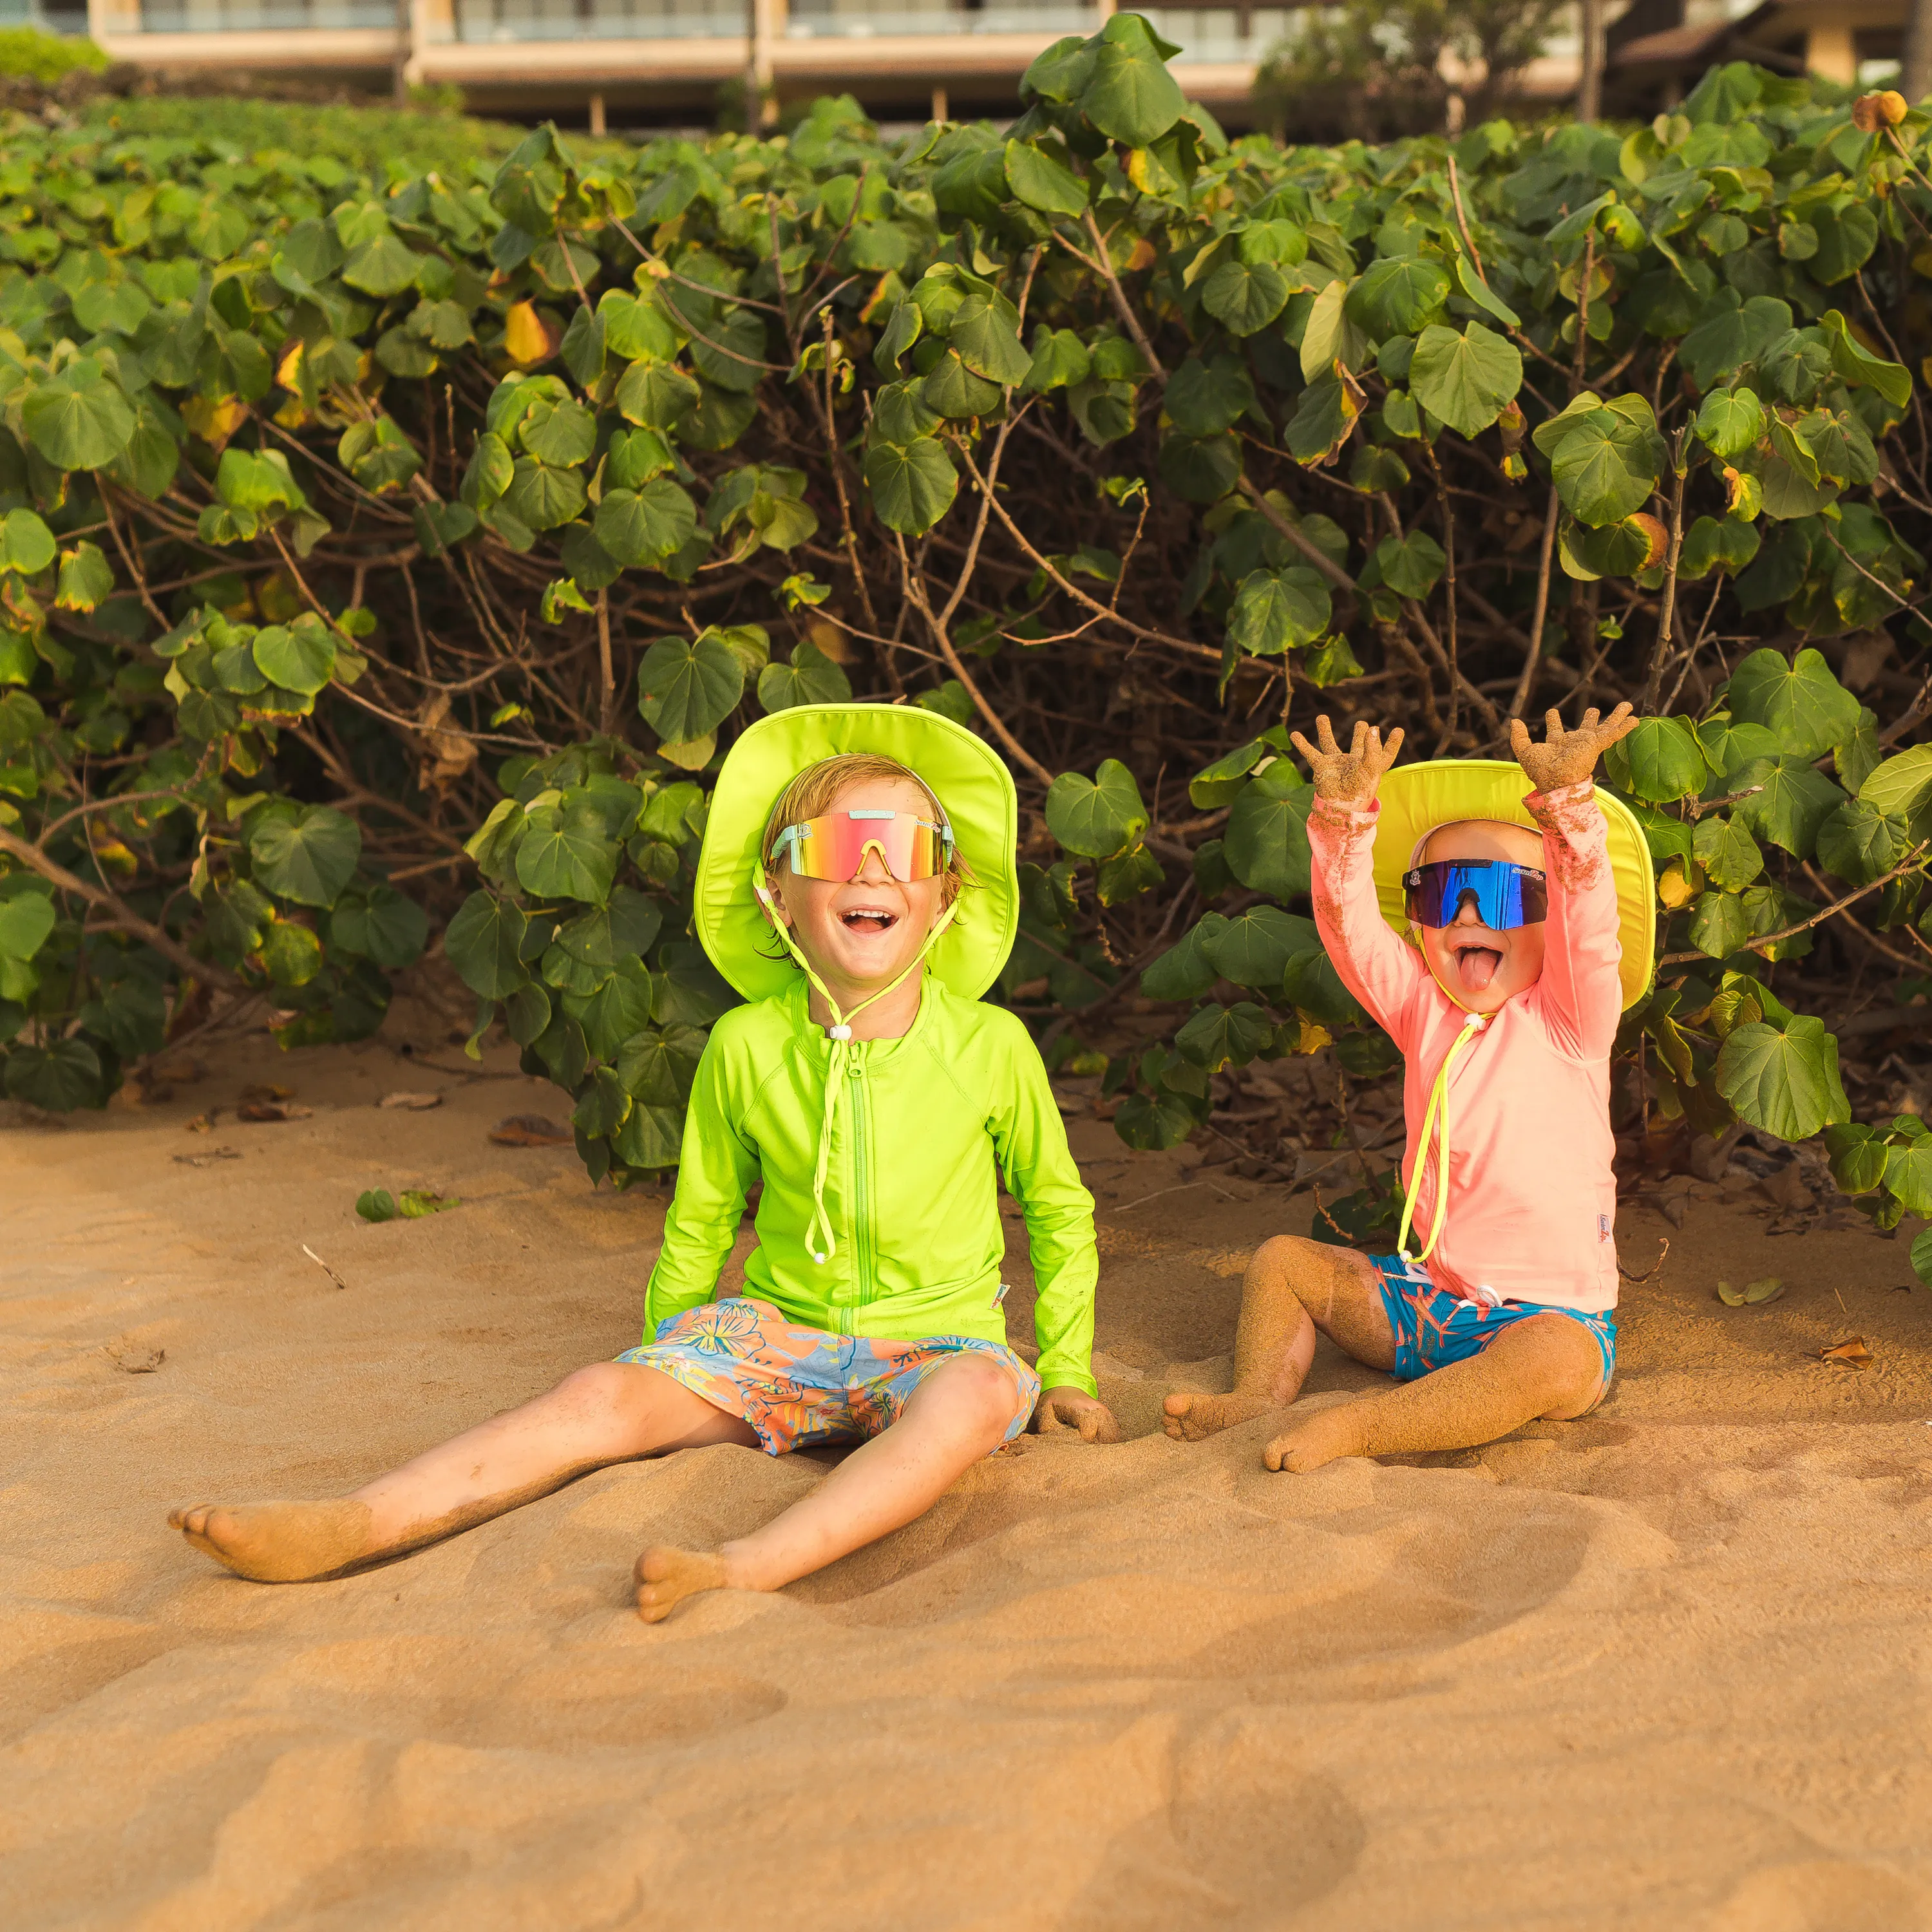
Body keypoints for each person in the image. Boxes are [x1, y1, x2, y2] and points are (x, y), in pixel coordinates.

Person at [171, 705, 1117, 1620]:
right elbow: (701, 1216)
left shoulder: (991, 1046)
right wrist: (670, 1350)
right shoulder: (746, 1045)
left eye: (906, 850)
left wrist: (1065, 1368)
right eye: (835, 849)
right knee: (598, 1394)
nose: (872, 868)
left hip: (936, 1342)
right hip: (779, 1342)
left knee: (982, 1392)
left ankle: (748, 1565)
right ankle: (357, 1521)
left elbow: (1057, 1209)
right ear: (776, 893)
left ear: (945, 892)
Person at [1164, 704, 1654, 1473]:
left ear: (1546, 917)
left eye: (1501, 896)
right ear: (1421, 922)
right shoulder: (1422, 1008)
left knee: (1554, 1364)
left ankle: (1363, 1429)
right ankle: (1260, 1397)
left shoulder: (1573, 1020)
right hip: (1426, 1303)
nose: (1465, 912)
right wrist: (1343, 816)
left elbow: (1590, 928)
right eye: (1439, 893)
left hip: (1546, 1324)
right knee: (1284, 1261)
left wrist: (1568, 806)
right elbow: (1350, 929)